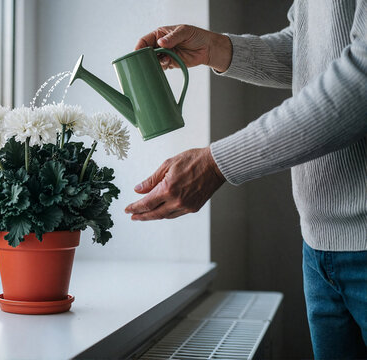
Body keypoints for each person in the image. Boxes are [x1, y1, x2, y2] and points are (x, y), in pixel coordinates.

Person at [124, 1, 367, 358]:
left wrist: (217, 163)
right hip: (318, 247)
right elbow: (309, 50)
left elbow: (360, 79)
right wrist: (216, 49)